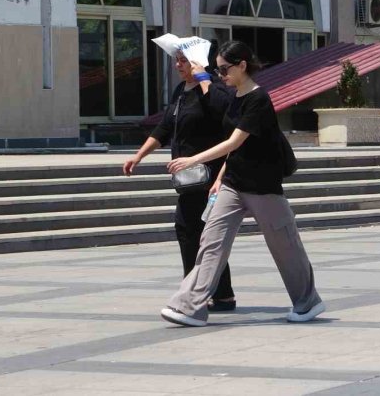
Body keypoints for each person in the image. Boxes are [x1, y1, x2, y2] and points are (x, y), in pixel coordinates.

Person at [159, 41, 323, 327]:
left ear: (242, 65)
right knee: (211, 242)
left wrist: (191, 160)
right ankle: (190, 306)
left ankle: (307, 301)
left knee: (285, 245)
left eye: (224, 69)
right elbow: (234, 149)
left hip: (262, 185)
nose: (220, 74)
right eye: (217, 69)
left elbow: (234, 141)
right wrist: (220, 178)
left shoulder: (259, 99)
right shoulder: (234, 96)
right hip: (233, 183)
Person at [123, 48, 237, 312]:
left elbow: (225, 120)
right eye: (176, 60)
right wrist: (138, 156)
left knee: (194, 232)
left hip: (210, 175)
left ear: (198, 62)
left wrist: (204, 78)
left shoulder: (213, 90)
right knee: (195, 233)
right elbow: (164, 128)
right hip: (187, 177)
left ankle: (199, 293)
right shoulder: (180, 92)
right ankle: (219, 294)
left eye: (184, 60)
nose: (178, 65)